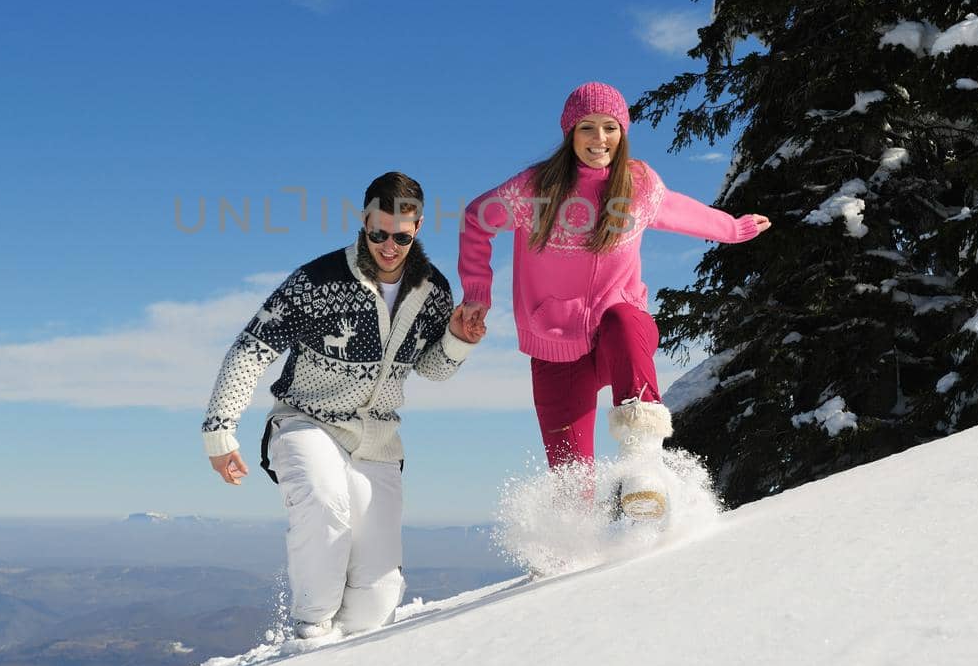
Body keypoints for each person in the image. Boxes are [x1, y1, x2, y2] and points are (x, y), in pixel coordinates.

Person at [458, 82, 770, 519]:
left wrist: (734, 229)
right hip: (554, 348)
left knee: (626, 320)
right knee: (571, 492)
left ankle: (644, 468)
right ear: (570, 132)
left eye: (609, 127)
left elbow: (683, 211)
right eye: (587, 127)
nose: (599, 139)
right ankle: (574, 555)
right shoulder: (534, 191)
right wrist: (477, 294)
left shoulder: (638, 185)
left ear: (622, 132)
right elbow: (476, 219)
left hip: (616, 335)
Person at [203, 171, 484, 638]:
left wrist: (457, 339)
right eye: (378, 234)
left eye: (401, 236)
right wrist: (219, 431)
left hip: (378, 441)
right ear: (364, 221)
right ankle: (310, 634)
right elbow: (252, 348)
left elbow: (432, 369)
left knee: (376, 598)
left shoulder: (433, 290)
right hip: (305, 421)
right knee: (325, 504)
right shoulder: (318, 280)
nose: (389, 246)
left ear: (418, 228)